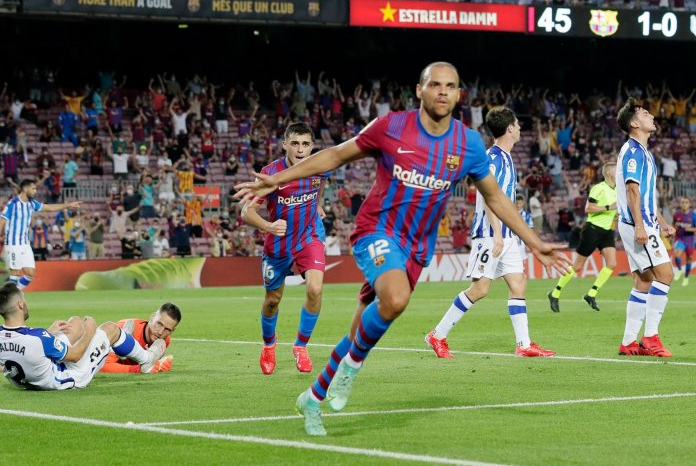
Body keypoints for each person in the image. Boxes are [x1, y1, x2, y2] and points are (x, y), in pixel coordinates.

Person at [234, 62, 569, 436]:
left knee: (359, 330)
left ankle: (312, 398)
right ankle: (352, 367)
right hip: (375, 231)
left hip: (417, 246)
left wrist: (535, 242)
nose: (442, 91)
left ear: (459, 95)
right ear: (419, 90)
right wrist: (277, 179)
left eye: (450, 86)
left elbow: (496, 197)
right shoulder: (391, 126)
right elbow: (336, 155)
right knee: (395, 299)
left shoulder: (468, 144)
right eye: (435, 84)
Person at [426, 107, 556, 359]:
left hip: (507, 235)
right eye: (518, 124)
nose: (520, 128)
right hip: (489, 234)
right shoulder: (493, 158)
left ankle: (523, 344)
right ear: (510, 128)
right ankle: (437, 335)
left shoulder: (506, 157)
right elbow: (489, 197)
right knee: (480, 289)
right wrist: (497, 232)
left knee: (518, 283)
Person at [240, 122, 328, 375]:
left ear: (312, 146)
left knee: (315, 289)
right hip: (278, 244)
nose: (300, 149)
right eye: (295, 143)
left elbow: (320, 185)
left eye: (306, 144)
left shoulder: (320, 166)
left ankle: (301, 346)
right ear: (285, 145)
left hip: (309, 237)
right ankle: (269, 344)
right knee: (272, 300)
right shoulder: (271, 174)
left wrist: (317, 205)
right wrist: (268, 226)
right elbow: (246, 212)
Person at [0, 302, 181, 375]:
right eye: (159, 324)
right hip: (77, 364)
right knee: (102, 329)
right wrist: (138, 369)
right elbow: (98, 365)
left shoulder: (163, 341)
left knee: (8, 359)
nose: (161, 332)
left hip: (61, 357)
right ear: (152, 317)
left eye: (167, 329)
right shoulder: (130, 327)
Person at [0, 283, 168, 390]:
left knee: (74, 323)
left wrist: (50, 333)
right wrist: (90, 331)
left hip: (31, 378)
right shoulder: (39, 338)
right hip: (66, 378)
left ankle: (118, 345)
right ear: (20, 305)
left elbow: (28, 346)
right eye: (24, 300)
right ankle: (146, 359)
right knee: (109, 329)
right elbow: (75, 356)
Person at [615, 98, 676, 357]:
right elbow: (632, 190)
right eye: (644, 113)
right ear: (634, 124)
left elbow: (646, 194)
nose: (651, 115)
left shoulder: (643, 151)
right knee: (666, 274)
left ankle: (629, 342)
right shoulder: (633, 152)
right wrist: (641, 226)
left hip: (642, 222)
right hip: (636, 224)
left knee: (643, 280)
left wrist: (661, 221)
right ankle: (650, 337)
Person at [548, 163, 618, 312]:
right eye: (618, 171)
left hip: (607, 231)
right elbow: (588, 208)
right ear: (610, 174)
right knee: (577, 266)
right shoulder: (598, 188)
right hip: (593, 229)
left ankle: (591, 294)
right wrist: (608, 207)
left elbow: (615, 211)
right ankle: (555, 293)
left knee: (612, 263)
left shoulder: (618, 190)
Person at [0, 179, 82, 291]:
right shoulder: (13, 204)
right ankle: (12, 297)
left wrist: (67, 205)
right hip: (13, 244)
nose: (35, 191)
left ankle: (13, 293)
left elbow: (49, 207)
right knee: (15, 273)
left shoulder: (32, 203)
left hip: (25, 244)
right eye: (33, 189)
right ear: (25, 189)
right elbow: (1, 221)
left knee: (30, 273)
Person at [671, 197, 696, 286]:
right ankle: (679, 270)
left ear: (689, 204)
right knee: (677, 255)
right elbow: (673, 224)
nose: (684, 204)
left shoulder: (693, 215)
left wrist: (690, 229)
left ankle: (686, 277)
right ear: (680, 204)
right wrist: (673, 231)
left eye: (686, 202)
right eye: (682, 202)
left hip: (690, 239)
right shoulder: (676, 214)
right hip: (680, 238)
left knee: (689, 259)